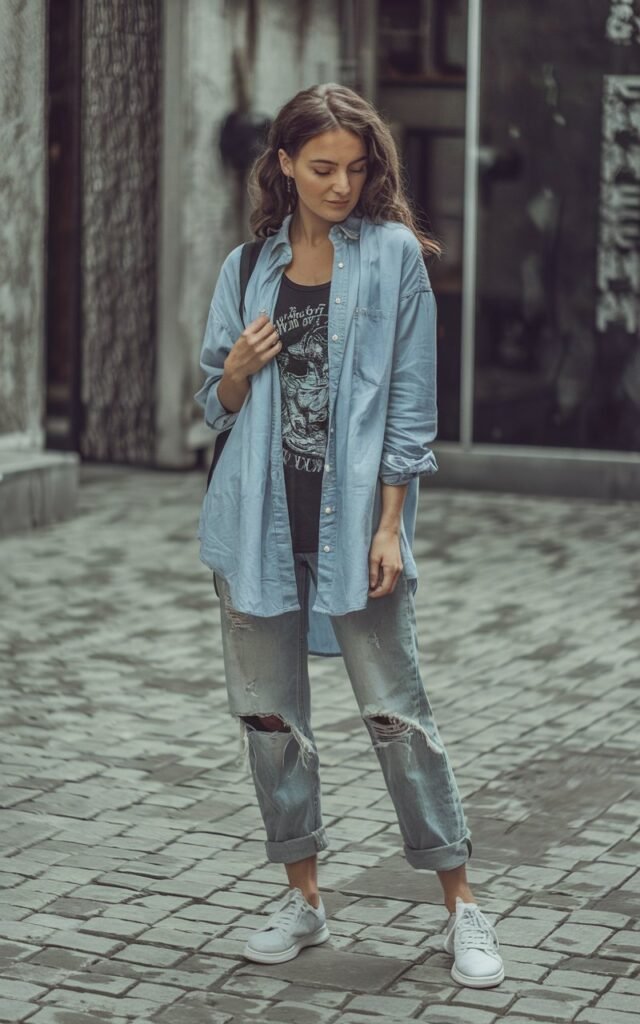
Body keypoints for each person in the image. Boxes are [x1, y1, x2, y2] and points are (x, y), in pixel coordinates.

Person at [195, 83, 504, 989]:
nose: (339, 184)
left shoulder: (394, 257)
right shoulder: (247, 267)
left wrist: (390, 527)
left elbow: (412, 406)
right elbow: (210, 405)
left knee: (399, 717)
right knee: (270, 722)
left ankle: (461, 903)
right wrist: (239, 372)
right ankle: (302, 895)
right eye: (321, 167)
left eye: (355, 168)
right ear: (283, 164)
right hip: (255, 527)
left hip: (355, 534)